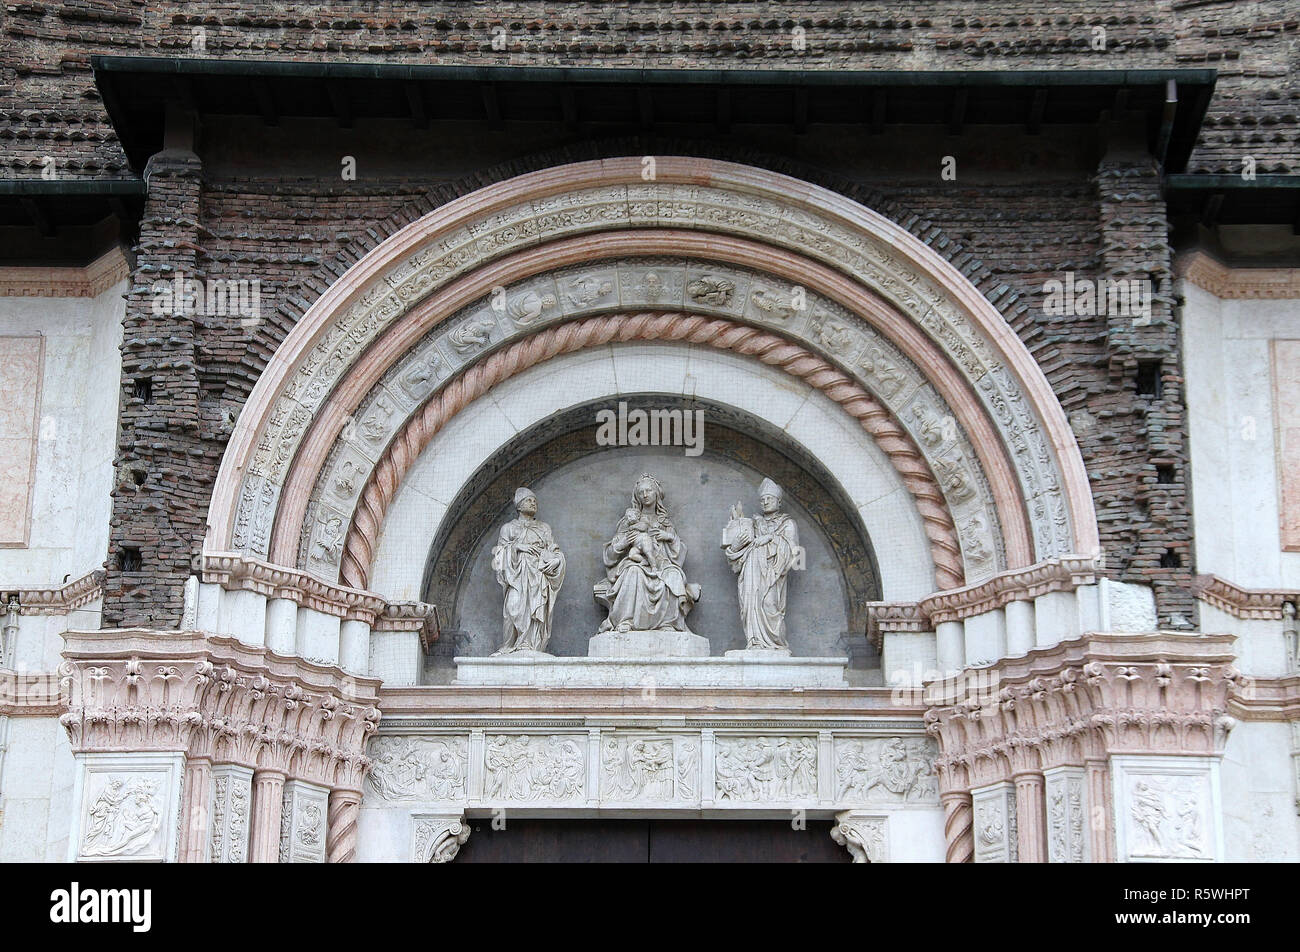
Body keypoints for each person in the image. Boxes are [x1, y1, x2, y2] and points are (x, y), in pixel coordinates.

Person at [594, 474, 700, 633]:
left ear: (656, 493)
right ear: (637, 496)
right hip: (635, 562)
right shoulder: (629, 521)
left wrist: (669, 537)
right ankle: (626, 621)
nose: (645, 495)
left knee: (674, 575)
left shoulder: (664, 523)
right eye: (641, 492)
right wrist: (622, 543)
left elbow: (678, 553)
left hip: (662, 564)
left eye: (649, 490)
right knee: (633, 572)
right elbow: (610, 555)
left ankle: (668, 623)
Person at [722, 477, 800, 650]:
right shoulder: (755, 523)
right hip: (751, 573)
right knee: (750, 606)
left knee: (769, 604)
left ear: (778, 502)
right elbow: (736, 555)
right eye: (762, 499)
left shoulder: (787, 524)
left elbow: (794, 553)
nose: (765, 502)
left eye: (769, 499)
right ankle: (755, 641)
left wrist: (771, 538)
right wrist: (736, 534)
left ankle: (775, 644)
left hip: (772, 575)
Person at [490, 487, 565, 654]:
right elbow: (498, 556)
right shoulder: (508, 528)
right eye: (529, 500)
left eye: (535, 501)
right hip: (516, 575)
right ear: (519, 505)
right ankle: (511, 645)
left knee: (535, 608)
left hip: (538, 576)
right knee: (513, 607)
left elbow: (554, 550)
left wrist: (556, 560)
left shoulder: (544, 528)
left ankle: (530, 645)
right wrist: (517, 547)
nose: (533, 503)